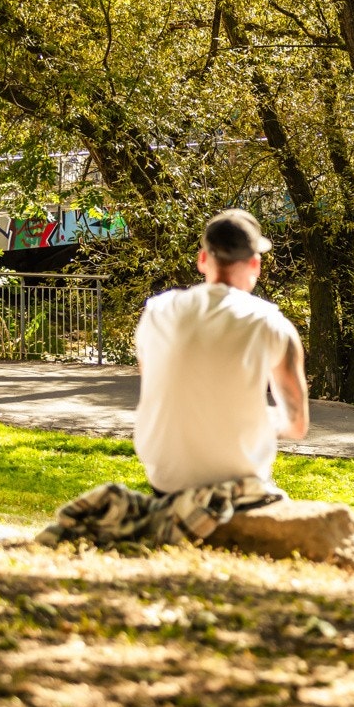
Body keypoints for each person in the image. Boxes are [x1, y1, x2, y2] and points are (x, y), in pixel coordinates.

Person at [133, 209, 309, 496]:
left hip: (166, 481)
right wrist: (250, 416)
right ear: (256, 264)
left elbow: (156, 387)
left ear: (202, 259)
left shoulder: (157, 311)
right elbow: (297, 425)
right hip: (237, 483)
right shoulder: (272, 324)